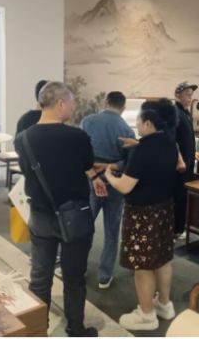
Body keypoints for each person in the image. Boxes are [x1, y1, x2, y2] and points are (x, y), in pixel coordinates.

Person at [14, 81, 102, 337]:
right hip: (75, 214)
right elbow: (87, 165)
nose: (73, 108)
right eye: (72, 103)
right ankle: (76, 328)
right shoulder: (77, 137)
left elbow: (27, 171)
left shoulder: (23, 139)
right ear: (61, 103)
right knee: (74, 278)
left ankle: (37, 330)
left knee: (40, 277)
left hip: (40, 214)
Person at [104, 99, 178, 331]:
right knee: (162, 258)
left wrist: (108, 175)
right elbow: (163, 159)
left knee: (143, 265)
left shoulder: (142, 151)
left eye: (138, 119)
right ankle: (164, 304)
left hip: (142, 214)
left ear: (148, 123)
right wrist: (137, 144)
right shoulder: (170, 142)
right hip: (164, 209)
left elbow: (125, 186)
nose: (136, 123)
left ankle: (146, 315)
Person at [80, 91, 136, 290]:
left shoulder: (87, 122)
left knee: (85, 227)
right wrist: (112, 166)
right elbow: (129, 162)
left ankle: (79, 268)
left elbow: (80, 150)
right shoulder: (126, 130)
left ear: (105, 102)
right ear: (123, 107)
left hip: (90, 180)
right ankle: (104, 275)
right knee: (112, 232)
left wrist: (94, 169)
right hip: (115, 183)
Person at [172, 81, 199, 236]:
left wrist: (193, 152)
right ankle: (176, 230)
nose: (190, 98)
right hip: (180, 165)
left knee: (183, 195)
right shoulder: (175, 113)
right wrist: (180, 159)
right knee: (179, 196)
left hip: (187, 161)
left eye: (191, 95)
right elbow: (172, 139)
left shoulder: (185, 112)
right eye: (187, 95)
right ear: (178, 95)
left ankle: (178, 229)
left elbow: (185, 138)